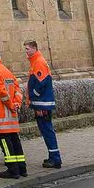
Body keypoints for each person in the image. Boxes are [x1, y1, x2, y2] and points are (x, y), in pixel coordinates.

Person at [0, 48, 26, 179]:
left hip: (1, 115)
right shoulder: (7, 70)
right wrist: (16, 104)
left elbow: (0, 91)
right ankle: (22, 167)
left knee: (5, 142)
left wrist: (10, 104)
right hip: (12, 115)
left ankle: (12, 169)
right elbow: (18, 89)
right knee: (15, 140)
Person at [25, 39, 59, 169]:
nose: (26, 52)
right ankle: (53, 156)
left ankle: (55, 158)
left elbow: (41, 83)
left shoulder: (38, 62)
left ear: (34, 48)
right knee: (46, 131)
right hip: (41, 103)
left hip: (42, 104)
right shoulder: (36, 62)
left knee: (47, 131)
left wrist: (34, 96)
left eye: (27, 49)